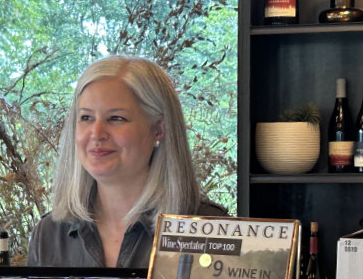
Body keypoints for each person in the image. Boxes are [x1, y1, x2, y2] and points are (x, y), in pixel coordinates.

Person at [28, 55, 227, 267]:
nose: (97, 133)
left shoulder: (211, 230)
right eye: (86, 117)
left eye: (116, 118)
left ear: (159, 129)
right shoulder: (50, 234)